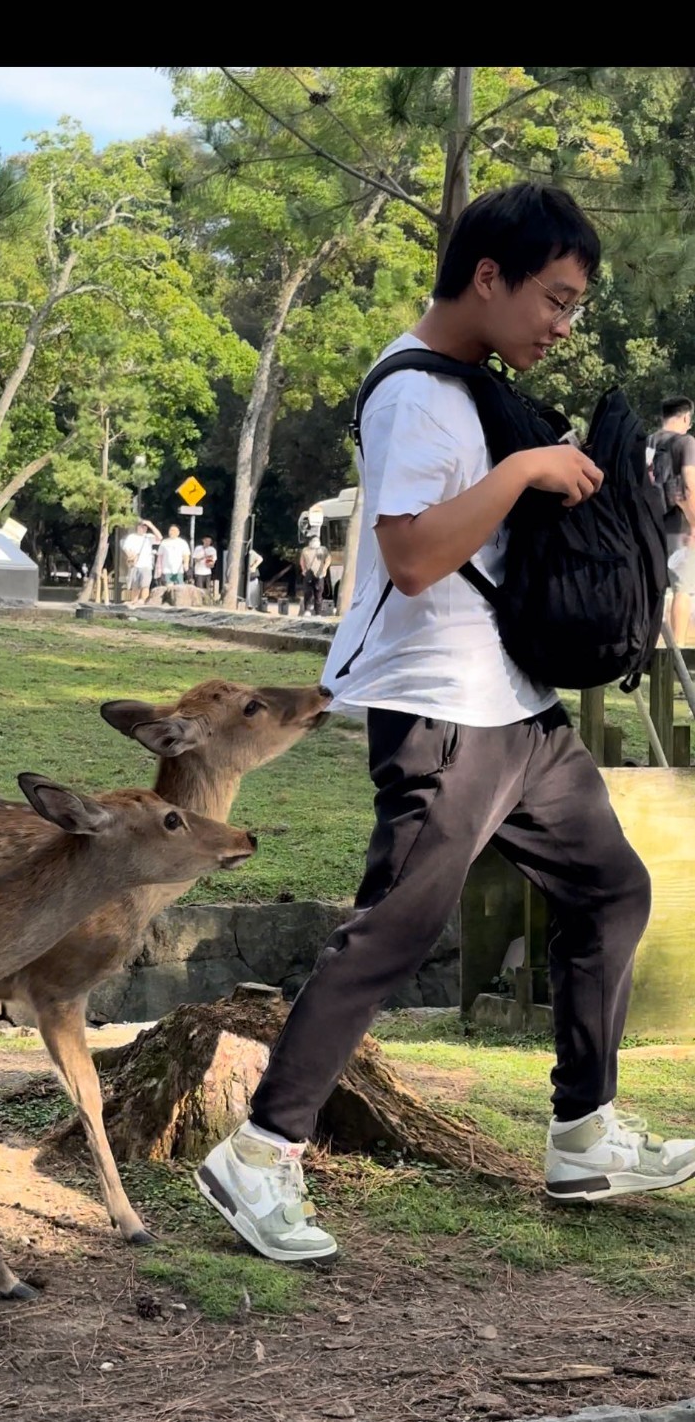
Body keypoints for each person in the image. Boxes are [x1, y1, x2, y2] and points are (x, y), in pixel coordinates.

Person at [196, 181, 695, 1267]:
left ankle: (582, 1132)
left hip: (514, 703)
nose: (562, 326)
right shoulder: (417, 394)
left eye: (573, 307)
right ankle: (260, 1150)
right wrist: (522, 471)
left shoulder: (471, 384)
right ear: (488, 275)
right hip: (441, 708)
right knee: (394, 931)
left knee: (611, 887)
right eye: (554, 300)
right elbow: (415, 556)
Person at [648, 397, 695, 645]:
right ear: (686, 417)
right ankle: (675, 652)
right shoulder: (686, 442)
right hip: (679, 524)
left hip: (650, 524)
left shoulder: (648, 441)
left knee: (655, 589)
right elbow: (689, 482)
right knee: (682, 588)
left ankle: (649, 646)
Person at [122, 519, 161, 602]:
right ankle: (134, 600)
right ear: (137, 527)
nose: (143, 529)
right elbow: (126, 548)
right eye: (141, 527)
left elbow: (160, 538)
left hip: (146, 565)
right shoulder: (131, 537)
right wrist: (130, 555)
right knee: (135, 585)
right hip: (135, 564)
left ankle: (143, 600)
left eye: (145, 527)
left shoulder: (149, 537)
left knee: (145, 585)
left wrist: (151, 525)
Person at [300, 535, 332, 616]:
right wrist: (303, 569)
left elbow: (328, 559)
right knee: (308, 592)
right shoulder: (305, 550)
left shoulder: (323, 550)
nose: (315, 542)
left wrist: (324, 568)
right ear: (310, 542)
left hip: (319, 573)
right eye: (313, 540)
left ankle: (318, 612)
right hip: (309, 573)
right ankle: (307, 610)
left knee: (318, 593)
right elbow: (302, 560)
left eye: (317, 540)